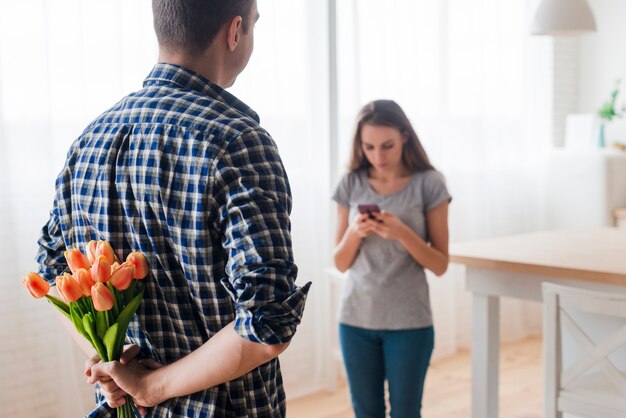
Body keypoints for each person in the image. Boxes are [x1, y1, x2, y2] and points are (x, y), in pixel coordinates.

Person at [35, 0, 311, 416]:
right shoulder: (237, 141)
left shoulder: (89, 138)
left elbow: (52, 272)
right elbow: (267, 324)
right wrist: (151, 385)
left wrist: (115, 357)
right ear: (235, 32)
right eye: (254, 25)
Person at [332, 99, 451, 418]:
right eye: (369, 147)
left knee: (406, 411)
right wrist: (355, 233)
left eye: (387, 146)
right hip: (356, 319)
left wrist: (403, 233)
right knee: (366, 412)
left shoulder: (430, 183)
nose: (378, 156)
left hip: (410, 322)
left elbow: (440, 265)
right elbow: (340, 263)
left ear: (405, 136)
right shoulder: (350, 183)